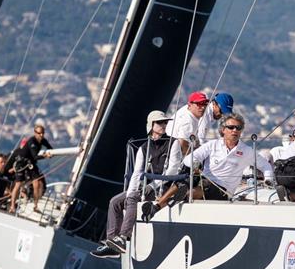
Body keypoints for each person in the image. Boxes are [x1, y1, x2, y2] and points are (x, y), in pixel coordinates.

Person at [143, 113, 274, 221]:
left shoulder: (246, 151)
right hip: (203, 180)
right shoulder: (212, 145)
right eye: (231, 127)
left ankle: (172, 199)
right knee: (186, 178)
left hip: (223, 190)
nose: (235, 130)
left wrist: (268, 179)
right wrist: (195, 164)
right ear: (223, 130)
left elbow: (266, 166)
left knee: (194, 189)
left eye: (238, 128)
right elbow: (189, 159)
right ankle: (158, 206)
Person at [92, 110, 172, 258]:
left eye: (165, 122)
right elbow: (137, 173)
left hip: (163, 188)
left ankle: (123, 237)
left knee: (133, 199)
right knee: (115, 201)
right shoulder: (143, 148)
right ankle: (112, 242)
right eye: (160, 122)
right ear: (151, 125)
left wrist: (150, 186)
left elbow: (171, 171)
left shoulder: (172, 144)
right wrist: (131, 191)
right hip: (144, 187)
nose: (164, 125)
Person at [8, 124, 53, 214]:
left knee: (37, 183)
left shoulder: (43, 140)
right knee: (18, 184)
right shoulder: (32, 141)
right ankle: (12, 206)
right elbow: (35, 156)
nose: (41, 135)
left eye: (43, 133)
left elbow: (50, 148)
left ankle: (35, 206)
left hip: (31, 163)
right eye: (39, 133)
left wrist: (51, 152)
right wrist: (45, 156)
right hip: (22, 162)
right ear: (35, 133)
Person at [163, 91, 209, 176]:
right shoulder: (189, 121)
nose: (202, 107)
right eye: (199, 104)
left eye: (205, 104)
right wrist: (194, 163)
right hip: (173, 159)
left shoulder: (189, 114)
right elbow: (182, 143)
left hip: (167, 151)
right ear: (190, 105)